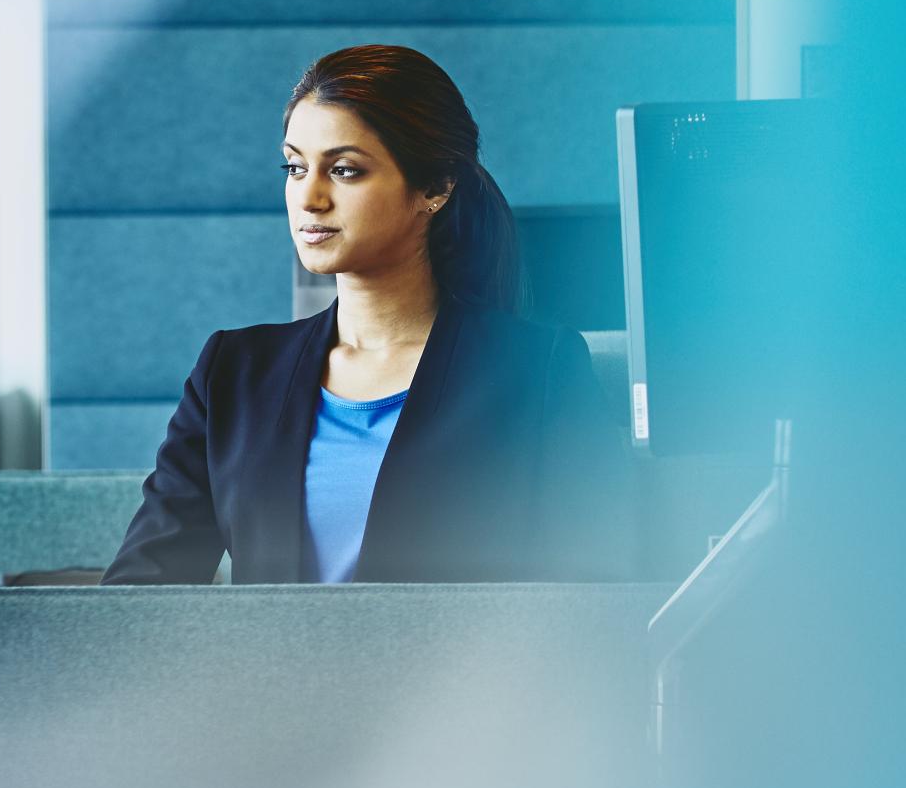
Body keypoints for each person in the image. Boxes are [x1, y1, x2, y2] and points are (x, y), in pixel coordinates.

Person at [102, 45, 634, 584]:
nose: (308, 197)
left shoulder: (537, 370)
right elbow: (139, 596)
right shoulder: (233, 371)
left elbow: (594, 593)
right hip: (268, 671)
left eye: (345, 170)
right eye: (294, 166)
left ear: (435, 187)